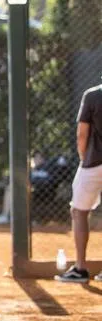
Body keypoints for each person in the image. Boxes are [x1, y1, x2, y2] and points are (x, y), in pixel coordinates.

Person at [56, 82, 102, 282]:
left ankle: (81, 268)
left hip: (94, 162)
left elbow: (82, 134)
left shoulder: (92, 95)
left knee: (79, 211)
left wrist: (84, 159)